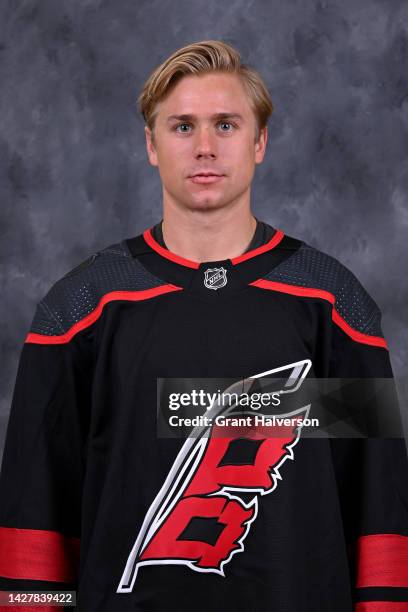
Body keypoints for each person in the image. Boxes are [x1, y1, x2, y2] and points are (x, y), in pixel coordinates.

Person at [0, 40, 407, 612]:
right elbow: (35, 513)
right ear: (151, 144)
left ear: (260, 141)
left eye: (227, 124)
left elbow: (378, 507)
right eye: (182, 126)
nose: (206, 147)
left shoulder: (333, 305)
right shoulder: (80, 309)